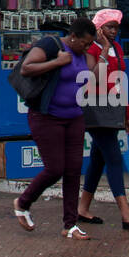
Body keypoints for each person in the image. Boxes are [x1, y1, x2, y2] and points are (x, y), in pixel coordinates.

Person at [12, 17, 97, 239]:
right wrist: (57, 63)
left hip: (75, 116)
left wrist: (102, 50)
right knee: (55, 168)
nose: (87, 48)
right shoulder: (51, 45)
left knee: (73, 170)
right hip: (46, 116)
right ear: (73, 37)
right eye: (85, 43)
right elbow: (27, 68)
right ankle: (22, 203)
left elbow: (93, 73)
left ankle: (70, 225)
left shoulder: (82, 54)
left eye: (91, 44)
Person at [77, 9, 129, 229]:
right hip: (95, 108)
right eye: (109, 27)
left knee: (98, 160)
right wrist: (104, 49)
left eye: (116, 27)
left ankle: (82, 208)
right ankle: (126, 214)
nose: (114, 31)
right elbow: (92, 77)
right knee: (114, 158)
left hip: (113, 107)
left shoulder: (118, 48)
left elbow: (118, 82)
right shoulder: (93, 48)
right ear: (99, 29)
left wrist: (127, 114)